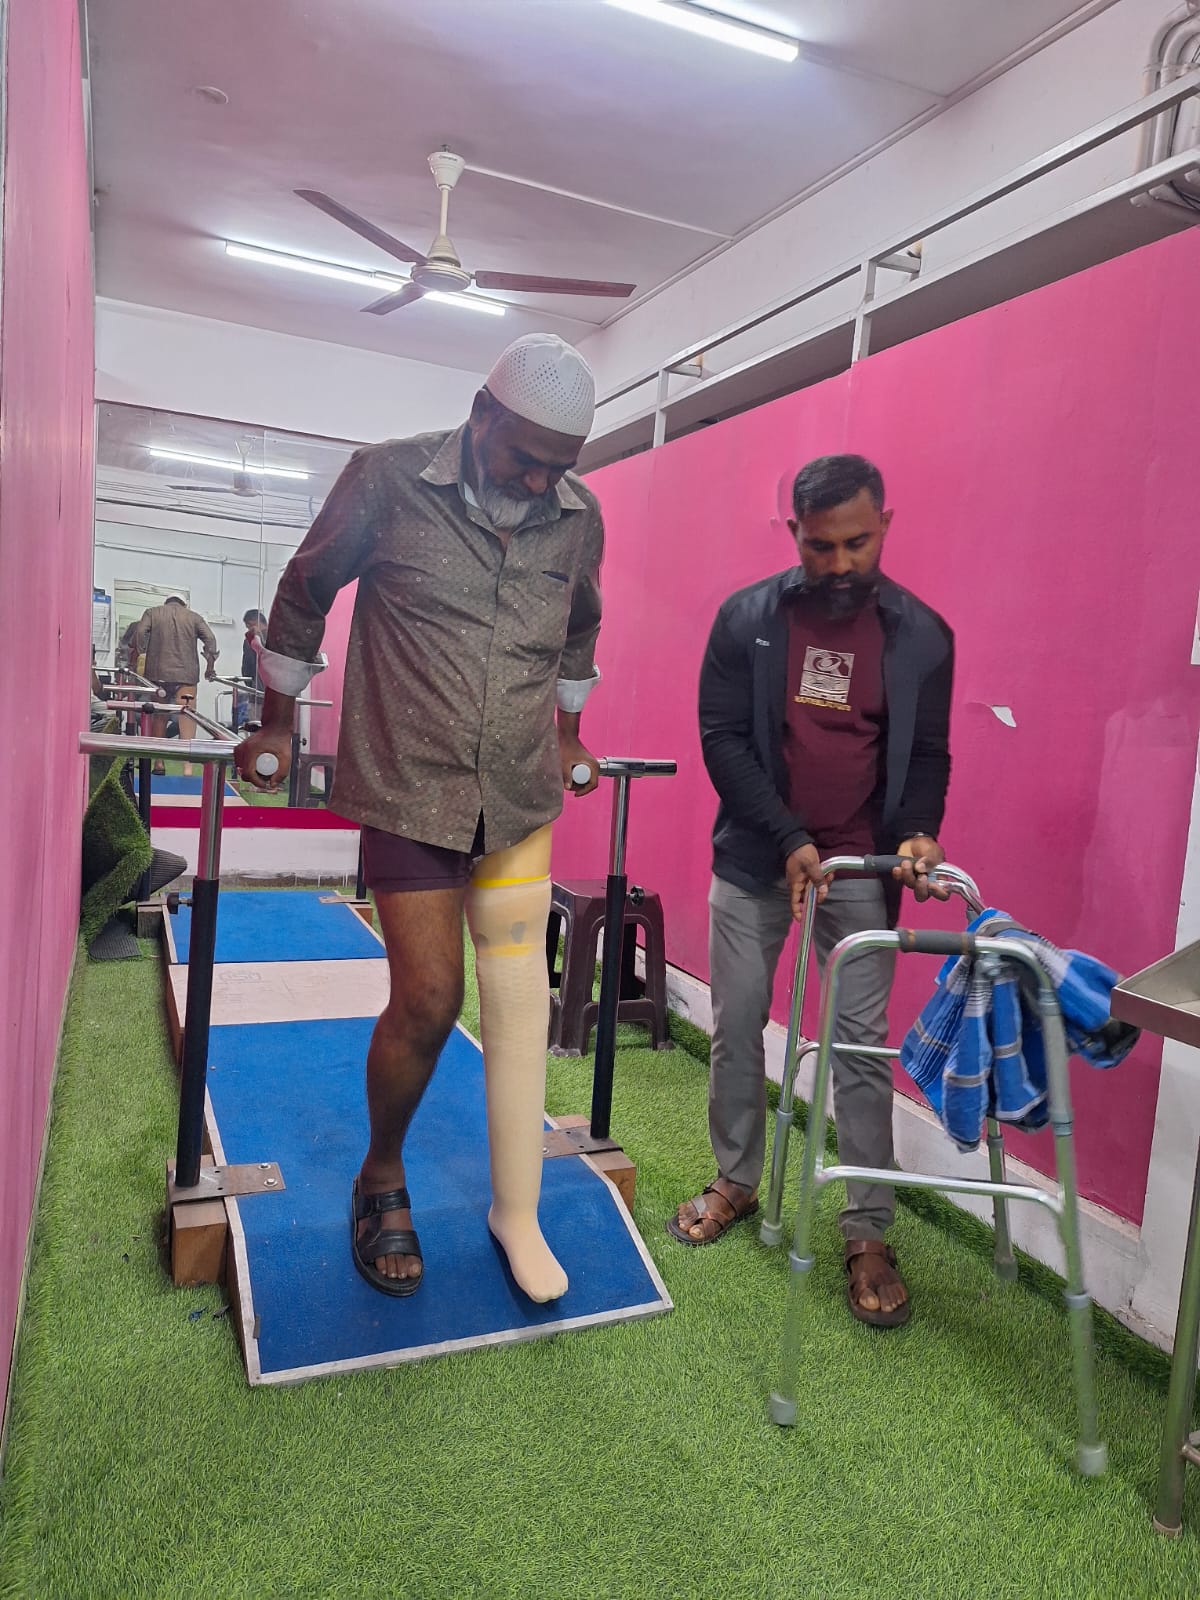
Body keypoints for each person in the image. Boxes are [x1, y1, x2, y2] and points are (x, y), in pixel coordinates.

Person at [237, 332, 604, 1304]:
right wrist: (276, 723)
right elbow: (304, 588)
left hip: (519, 788)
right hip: (410, 783)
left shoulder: (576, 515)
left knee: (520, 999)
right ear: (482, 416)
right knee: (433, 997)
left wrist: (570, 733)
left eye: (558, 465)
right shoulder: (389, 479)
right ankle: (382, 1170)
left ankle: (514, 1209)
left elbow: (581, 624)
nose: (539, 478)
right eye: (525, 453)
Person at [670, 454, 954, 1329]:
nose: (837, 563)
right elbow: (721, 738)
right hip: (757, 859)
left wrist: (914, 830)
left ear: (886, 525)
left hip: (861, 868)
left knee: (862, 1048)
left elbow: (929, 751)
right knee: (737, 1022)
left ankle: (867, 1229)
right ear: (792, 531)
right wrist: (789, 838)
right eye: (819, 544)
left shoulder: (923, 636)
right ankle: (737, 1180)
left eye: (856, 542)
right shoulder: (747, 620)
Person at [133, 595, 219, 775]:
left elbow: (140, 632)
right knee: (187, 716)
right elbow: (210, 639)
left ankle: (158, 763)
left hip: (158, 674)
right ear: (184, 604)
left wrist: (141, 651)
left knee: (159, 716)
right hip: (186, 674)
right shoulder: (194, 617)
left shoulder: (152, 612)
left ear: (166, 603)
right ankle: (187, 766)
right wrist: (209, 665)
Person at [236, 608, 268, 729]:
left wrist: (250, 684)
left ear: (253, 623)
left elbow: (247, 667)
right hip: (281, 695)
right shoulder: (280, 636)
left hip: (258, 693)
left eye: (248, 626)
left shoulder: (251, 640)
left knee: (257, 732)